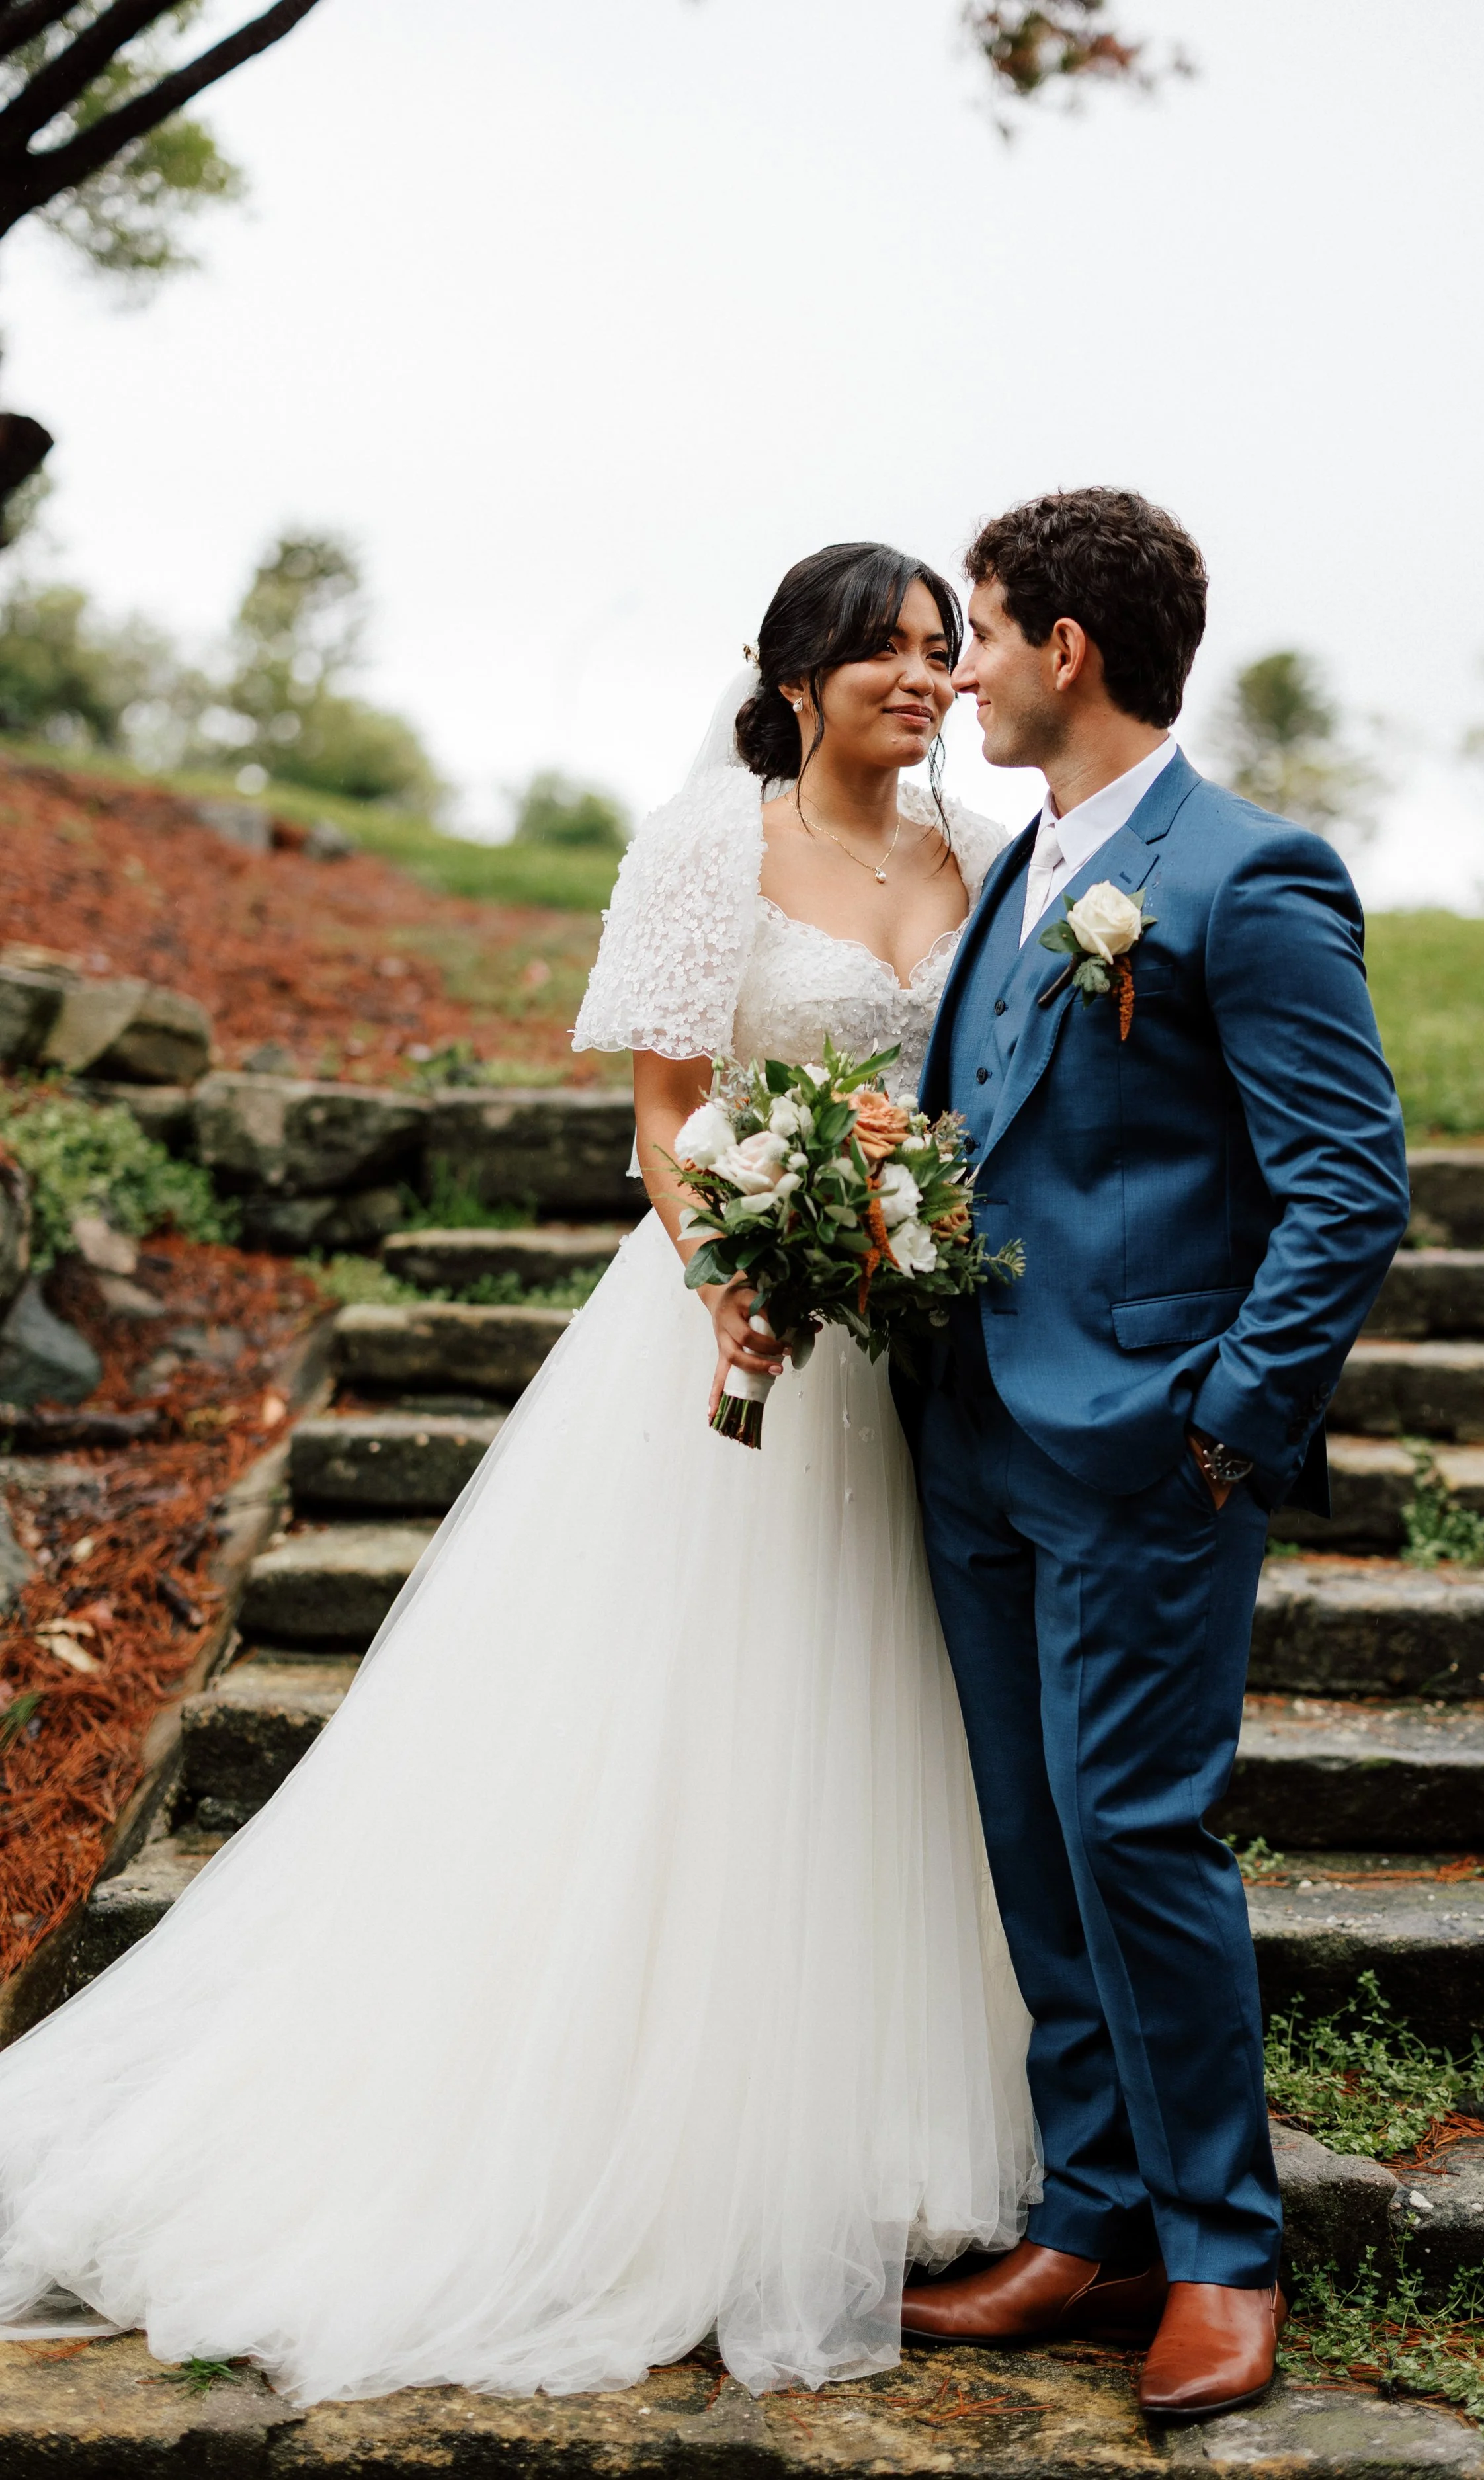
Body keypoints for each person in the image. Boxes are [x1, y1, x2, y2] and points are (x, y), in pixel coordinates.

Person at [0, 543, 1038, 2407]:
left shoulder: (973, 864)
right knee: (690, 1717)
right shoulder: (706, 844)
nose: (919, 672)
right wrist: (738, 1278)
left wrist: (902, 1226)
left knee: (882, 1715)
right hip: (726, 1324)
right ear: (792, 675)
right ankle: (628, 2127)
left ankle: (851, 2118)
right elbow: (659, 1113)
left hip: (909, 1348)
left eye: (937, 647)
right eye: (881, 647)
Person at [897, 489, 1411, 2418]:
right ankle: (1089, 2217)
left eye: (981, 631)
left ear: (1065, 654)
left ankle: (1216, 2248)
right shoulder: (1019, 865)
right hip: (969, 1439)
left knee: (1134, 1832)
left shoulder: (1245, 876)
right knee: (1031, 1835)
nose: (956, 668)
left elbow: (1347, 1188)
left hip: (1143, 1452)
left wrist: (1225, 1426)